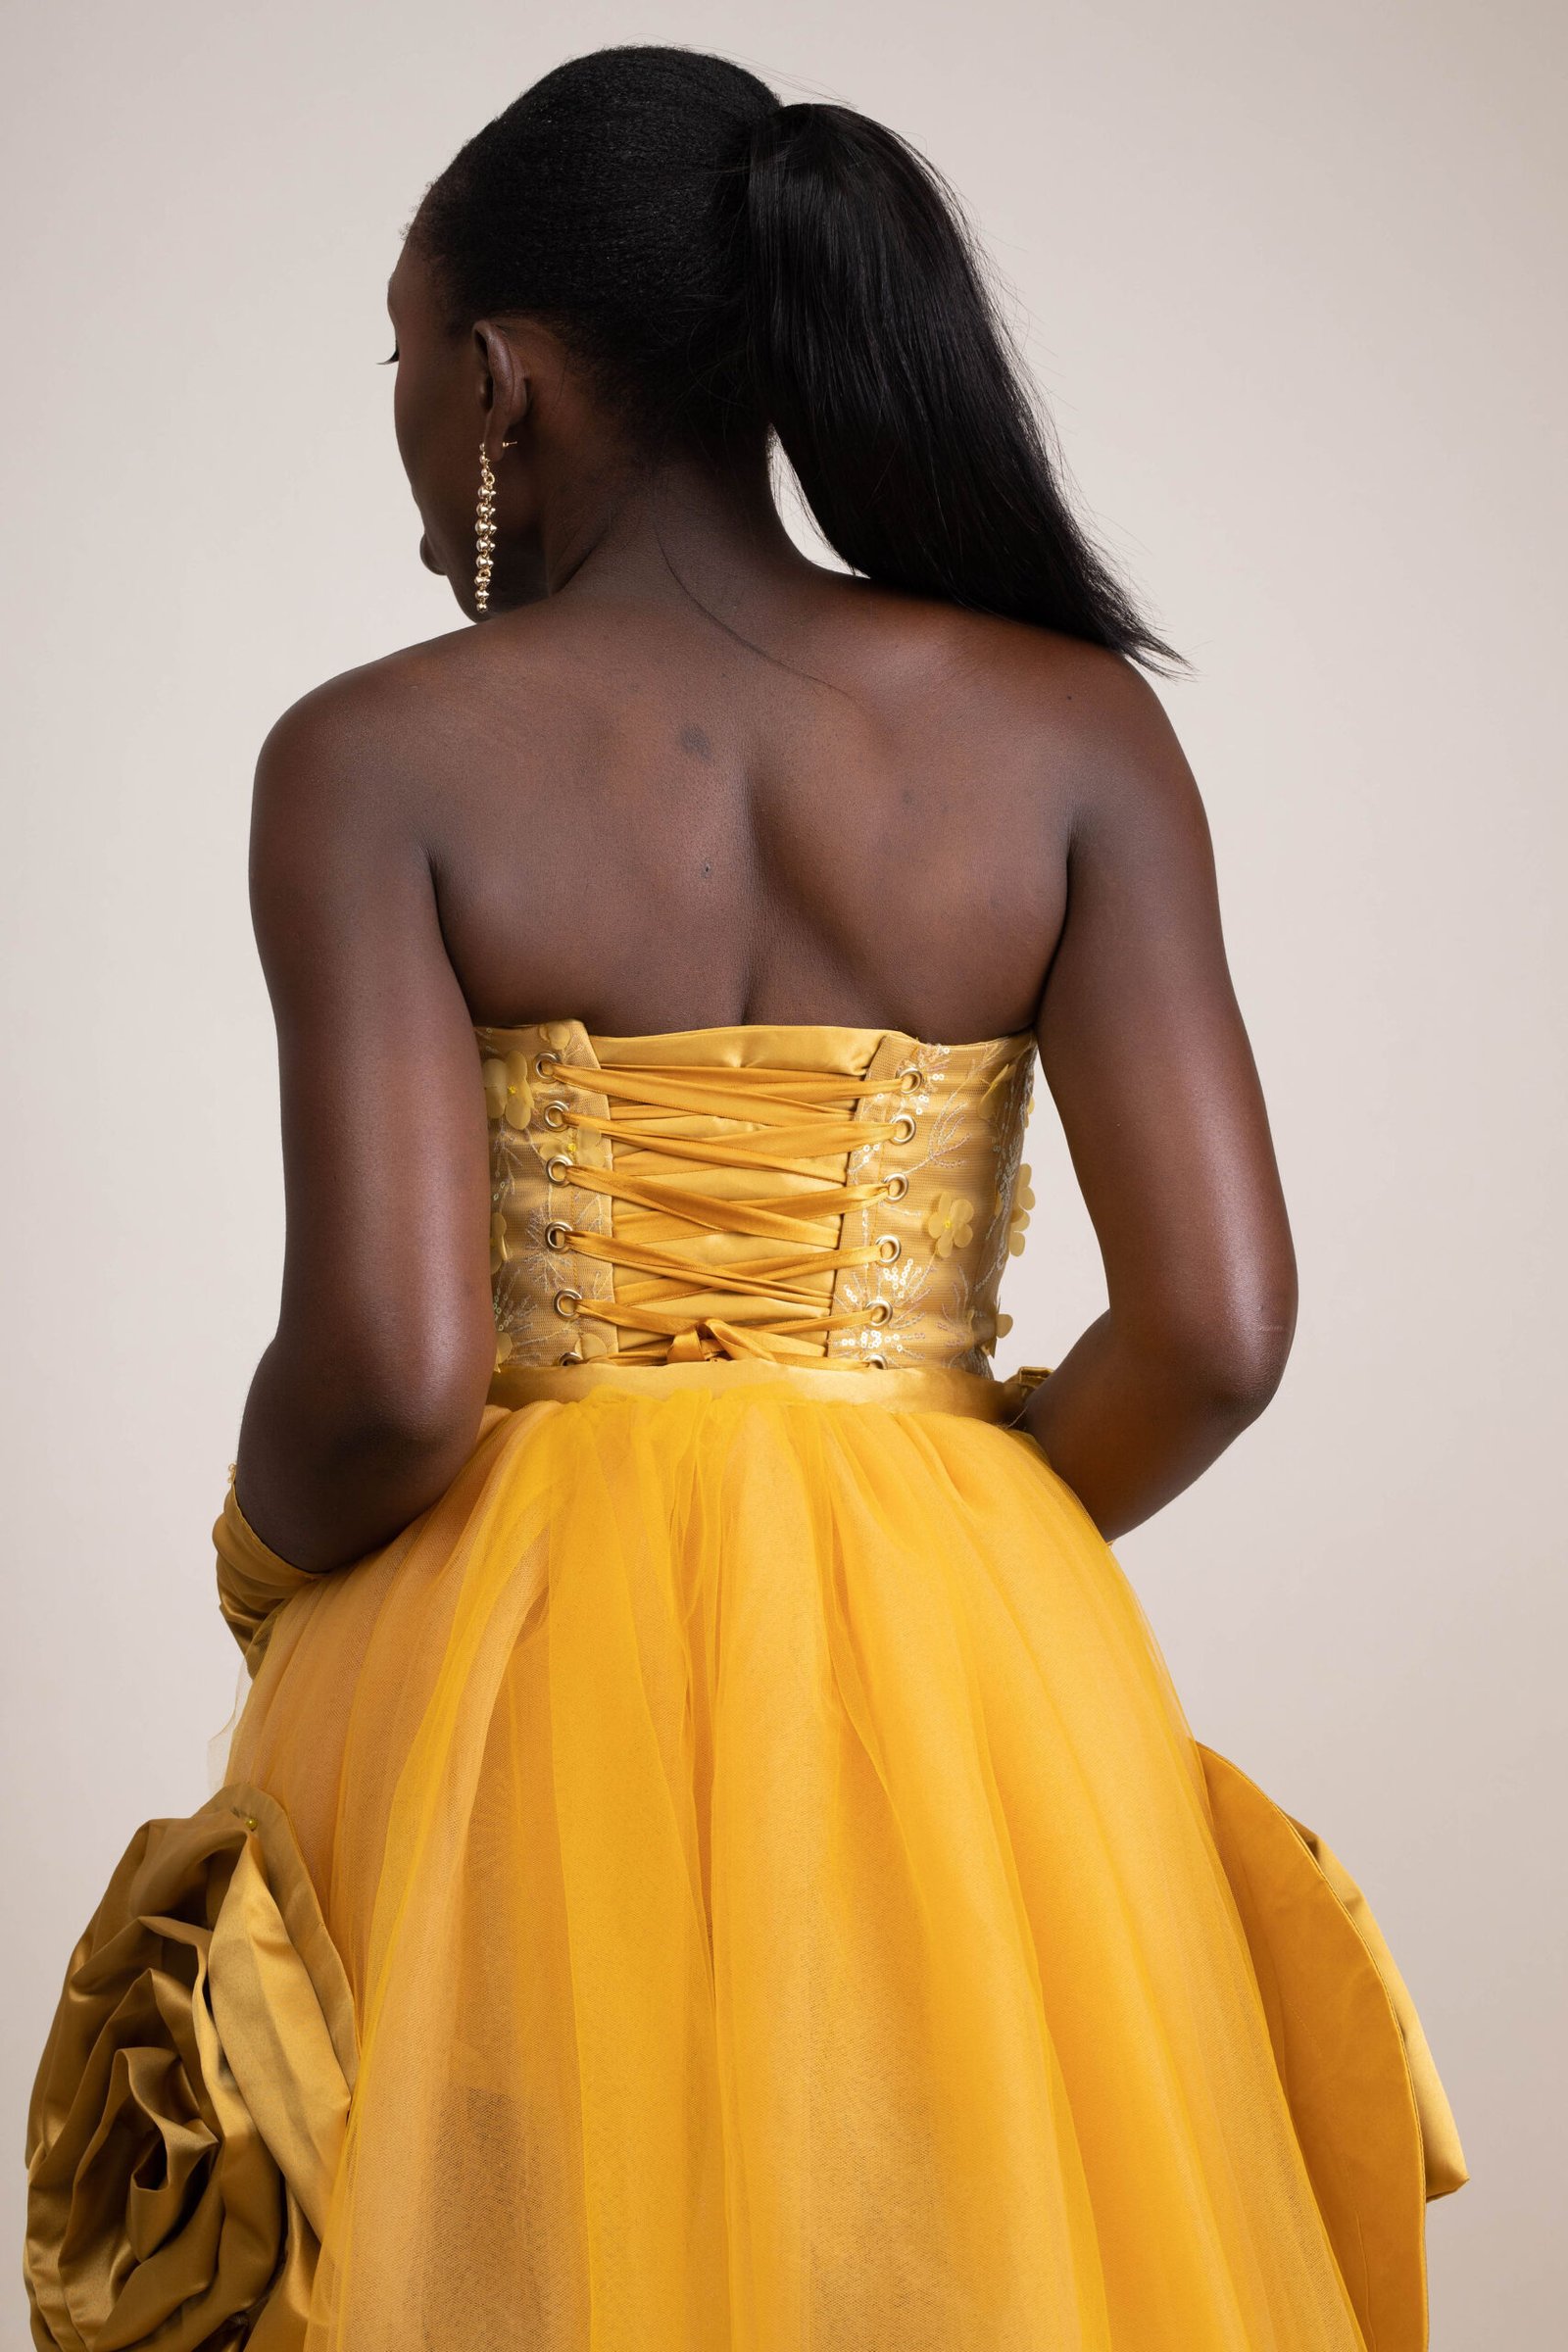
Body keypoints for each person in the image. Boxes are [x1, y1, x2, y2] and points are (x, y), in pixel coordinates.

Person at [23, 43, 1466, 2352]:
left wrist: (259, 1561)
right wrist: (928, 1544)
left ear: (499, 383)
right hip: (956, 1682)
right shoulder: (1072, 732)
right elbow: (1212, 1327)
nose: (399, 420)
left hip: (492, 1689)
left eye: (400, 359)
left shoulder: (373, 758)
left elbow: (391, 1376)